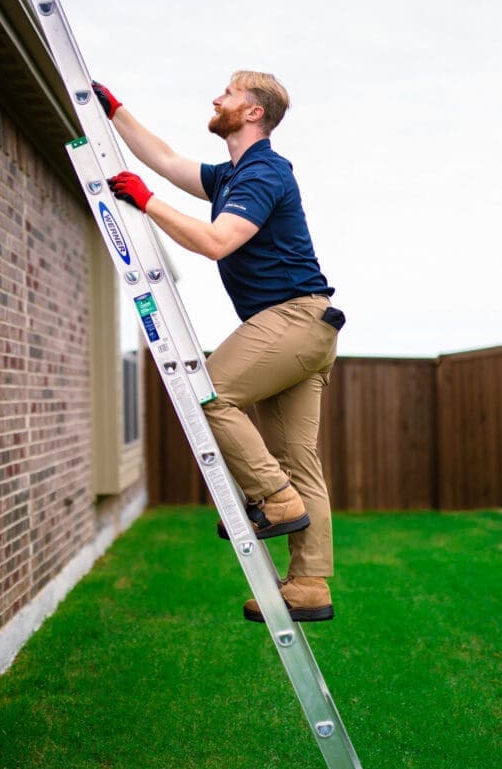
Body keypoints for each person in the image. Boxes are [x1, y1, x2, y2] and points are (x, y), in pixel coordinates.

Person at [93, 72, 345, 623]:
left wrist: (147, 203)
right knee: (301, 462)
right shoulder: (232, 175)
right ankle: (310, 585)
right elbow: (162, 156)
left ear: (253, 112)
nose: (216, 98)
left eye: (229, 94)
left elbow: (216, 242)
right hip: (306, 326)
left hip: (293, 319)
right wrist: (114, 111)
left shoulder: (263, 172)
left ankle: (274, 501)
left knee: (207, 392)